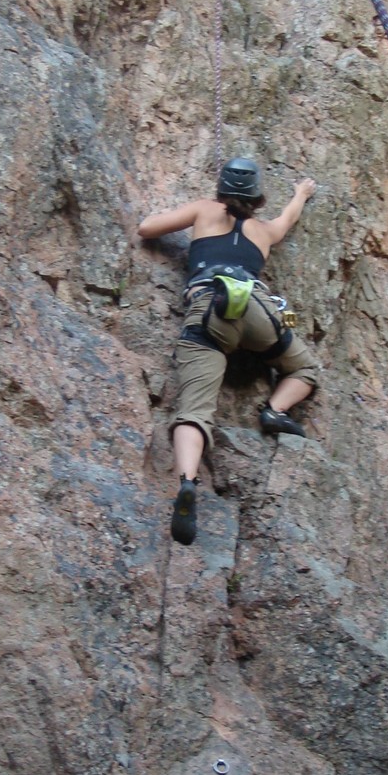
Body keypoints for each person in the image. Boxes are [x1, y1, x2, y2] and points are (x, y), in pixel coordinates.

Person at [138, 157, 318, 545]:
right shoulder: (265, 230)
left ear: (221, 189)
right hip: (258, 309)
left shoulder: (204, 210)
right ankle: (275, 410)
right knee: (304, 368)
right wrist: (301, 193)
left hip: (210, 308)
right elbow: (288, 218)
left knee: (194, 409)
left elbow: (147, 228)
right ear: (257, 196)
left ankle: (187, 482)